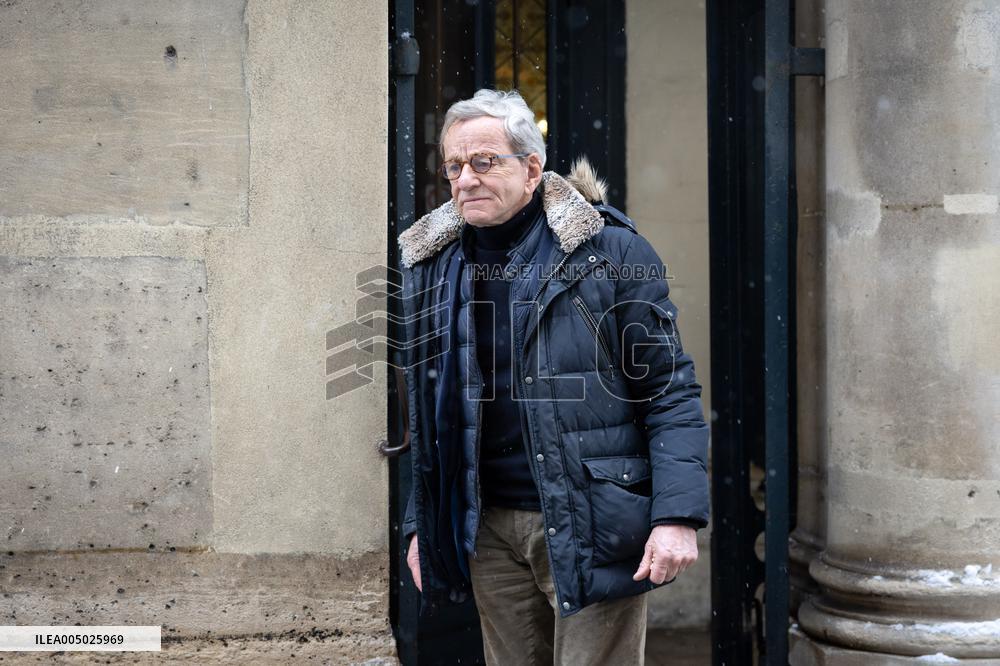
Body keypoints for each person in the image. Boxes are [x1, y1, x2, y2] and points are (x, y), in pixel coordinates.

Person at [396, 89, 709, 665]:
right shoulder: (435, 267)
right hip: (486, 529)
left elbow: (668, 392)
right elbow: (432, 412)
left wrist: (676, 517)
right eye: (454, 166)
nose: (465, 179)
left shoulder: (609, 252)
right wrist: (423, 523)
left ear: (532, 169)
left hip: (592, 517)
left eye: (484, 162)